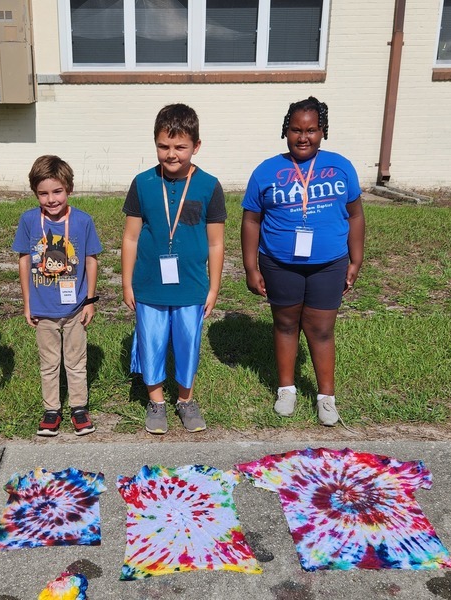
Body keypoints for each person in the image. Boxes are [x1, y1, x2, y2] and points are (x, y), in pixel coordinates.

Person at [241, 97, 365, 426]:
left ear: (322, 131)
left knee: (321, 330)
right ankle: (286, 390)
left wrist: (357, 258)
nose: (303, 136)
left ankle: (326, 397)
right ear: (286, 131)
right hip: (280, 263)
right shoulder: (267, 171)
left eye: (311, 130)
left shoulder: (341, 167)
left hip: (329, 263)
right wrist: (251, 267)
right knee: (285, 324)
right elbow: (251, 220)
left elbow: (355, 214)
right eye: (296, 129)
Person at [122, 103, 226, 434]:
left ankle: (185, 399)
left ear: (196, 146)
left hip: (192, 284)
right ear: (155, 144)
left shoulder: (209, 186)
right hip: (150, 283)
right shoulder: (142, 183)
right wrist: (127, 284)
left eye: (180, 147)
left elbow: (215, 243)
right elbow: (130, 237)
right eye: (163, 146)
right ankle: (156, 401)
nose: (171, 154)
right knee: (151, 340)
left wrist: (213, 287)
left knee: (187, 341)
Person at [13, 155, 102, 436]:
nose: (51, 199)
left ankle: (79, 408)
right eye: (43, 193)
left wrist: (89, 300)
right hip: (43, 310)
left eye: (57, 191)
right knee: (48, 363)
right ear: (35, 193)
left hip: (75, 309)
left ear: (69, 189)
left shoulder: (83, 221)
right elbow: (25, 261)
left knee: (76, 362)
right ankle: (51, 409)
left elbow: (90, 260)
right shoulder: (29, 220)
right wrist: (28, 303)